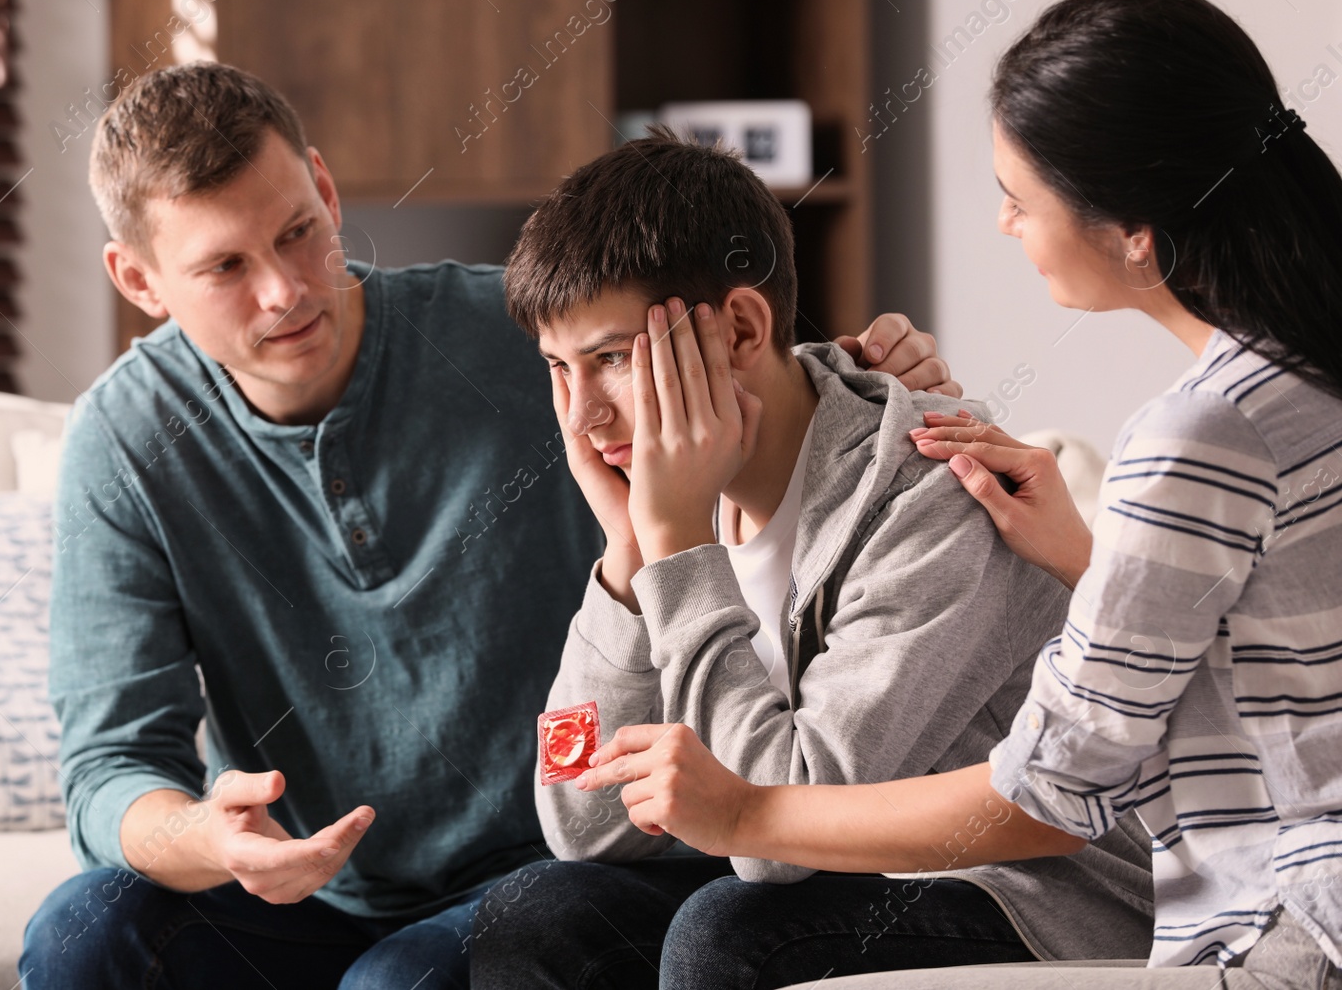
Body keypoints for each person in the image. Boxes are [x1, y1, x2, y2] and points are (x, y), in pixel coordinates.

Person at [15, 61, 954, 990]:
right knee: (82, 931)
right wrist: (204, 837)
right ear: (137, 280)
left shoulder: (513, 340)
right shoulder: (124, 439)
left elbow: (715, 380)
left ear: (327, 189)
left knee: (398, 980)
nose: (285, 291)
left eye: (299, 232)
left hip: (549, 871)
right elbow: (110, 761)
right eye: (225, 266)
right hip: (307, 896)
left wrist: (869, 375)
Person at [566, 0, 1342, 989]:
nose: (1004, 220)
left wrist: (744, 806)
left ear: (1132, 229)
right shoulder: (1294, 385)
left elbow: (1049, 796)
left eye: (1020, 194)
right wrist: (1093, 559)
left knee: (728, 931)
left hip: (1282, 936)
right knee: (556, 913)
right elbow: (1290, 653)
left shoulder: (1198, 434)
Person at [466, 127, 1156, 990]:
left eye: (610, 359)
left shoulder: (934, 492)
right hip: (836, 879)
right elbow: (582, 819)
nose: (584, 420)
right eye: (559, 370)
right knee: (537, 913)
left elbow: (778, 833)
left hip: (1033, 898)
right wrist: (627, 562)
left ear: (743, 327)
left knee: (736, 934)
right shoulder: (672, 493)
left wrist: (677, 549)